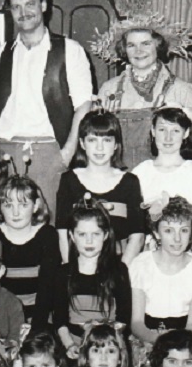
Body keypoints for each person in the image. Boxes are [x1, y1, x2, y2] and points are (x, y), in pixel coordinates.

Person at [0, 0, 94, 212]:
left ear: (43, 5)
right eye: (16, 7)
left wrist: (67, 153)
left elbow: (84, 106)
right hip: (5, 153)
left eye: (30, 4)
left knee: (48, 227)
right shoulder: (1, 54)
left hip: (49, 152)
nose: (23, 12)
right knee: (6, 223)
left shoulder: (70, 51)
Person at [93, 13, 192, 169]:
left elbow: (191, 147)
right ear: (124, 50)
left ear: (158, 46)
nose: (139, 51)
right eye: (131, 45)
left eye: (145, 44)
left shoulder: (181, 90)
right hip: (119, 179)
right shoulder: (108, 89)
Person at [129, 197, 192, 367]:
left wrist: (175, 346)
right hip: (148, 336)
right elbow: (137, 322)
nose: (177, 238)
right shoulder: (141, 264)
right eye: (168, 231)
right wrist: (157, 340)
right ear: (156, 233)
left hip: (185, 338)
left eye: (184, 231)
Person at [55, 110, 145, 265]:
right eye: (92, 140)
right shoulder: (69, 180)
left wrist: (120, 274)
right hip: (78, 266)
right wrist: (73, 270)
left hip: (119, 265)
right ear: (82, 143)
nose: (99, 148)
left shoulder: (130, 182)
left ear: (116, 144)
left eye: (107, 140)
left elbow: (137, 236)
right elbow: (62, 233)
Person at [48, 200, 131, 362]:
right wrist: (70, 345)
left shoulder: (118, 271)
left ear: (106, 235)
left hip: (108, 351)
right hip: (75, 350)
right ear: (72, 235)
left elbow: (123, 319)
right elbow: (60, 320)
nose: (89, 241)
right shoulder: (63, 273)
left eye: (96, 234)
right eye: (82, 234)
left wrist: (107, 350)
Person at [0, 175, 60, 325]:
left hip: (38, 318)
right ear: (0, 207)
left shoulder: (47, 235)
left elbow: (47, 289)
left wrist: (35, 327)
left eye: (23, 205)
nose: (15, 213)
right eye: (8, 205)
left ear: (36, 205)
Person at [131, 105, 192, 247]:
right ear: (153, 131)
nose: (168, 137)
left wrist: (177, 250)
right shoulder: (140, 172)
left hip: (185, 250)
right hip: (148, 250)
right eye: (162, 130)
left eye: (175, 131)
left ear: (185, 133)